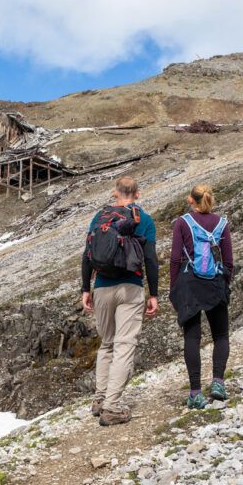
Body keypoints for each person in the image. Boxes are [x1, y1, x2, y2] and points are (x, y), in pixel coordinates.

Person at [81, 176, 159, 426]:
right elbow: (150, 259)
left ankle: (100, 399)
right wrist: (154, 294)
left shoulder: (100, 217)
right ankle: (112, 407)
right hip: (130, 287)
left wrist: (85, 289)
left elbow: (87, 254)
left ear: (115, 193)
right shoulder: (143, 220)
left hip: (102, 287)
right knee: (125, 345)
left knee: (107, 344)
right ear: (137, 194)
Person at [169, 184, 234, 409]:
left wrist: (174, 288)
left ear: (191, 200)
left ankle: (195, 392)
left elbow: (175, 259)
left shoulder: (182, 223)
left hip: (190, 285)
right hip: (215, 282)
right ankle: (218, 382)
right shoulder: (222, 224)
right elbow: (228, 262)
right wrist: (224, 284)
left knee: (192, 338)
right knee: (221, 335)